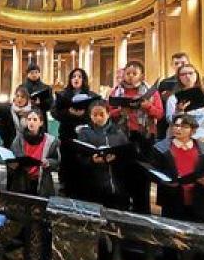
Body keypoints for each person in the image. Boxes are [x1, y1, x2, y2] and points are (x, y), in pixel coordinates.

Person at [108, 60, 163, 213]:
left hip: (144, 138)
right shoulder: (116, 91)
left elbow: (159, 113)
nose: (130, 76)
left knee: (142, 176)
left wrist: (148, 107)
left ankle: (142, 211)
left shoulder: (151, 92)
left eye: (134, 73)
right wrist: (120, 111)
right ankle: (121, 210)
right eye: (128, 73)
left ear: (141, 75)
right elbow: (108, 113)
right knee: (121, 176)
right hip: (121, 138)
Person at [151, 114, 204, 222]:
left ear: (193, 130)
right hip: (171, 198)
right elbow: (154, 171)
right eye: (176, 125)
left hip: (198, 199)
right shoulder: (160, 148)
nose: (178, 129)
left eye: (184, 127)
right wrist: (165, 181)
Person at [51, 68, 99, 198]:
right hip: (67, 134)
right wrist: (69, 112)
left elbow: (97, 113)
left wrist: (85, 114)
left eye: (79, 76)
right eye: (74, 76)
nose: (76, 79)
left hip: (85, 135)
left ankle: (82, 191)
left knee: (82, 162)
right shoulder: (63, 94)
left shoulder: (91, 95)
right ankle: (66, 188)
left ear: (84, 80)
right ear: (70, 79)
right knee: (67, 162)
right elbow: (54, 112)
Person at [77, 100, 130, 209]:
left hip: (116, 183)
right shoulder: (85, 133)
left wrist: (116, 157)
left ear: (108, 114)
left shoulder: (118, 132)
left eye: (102, 114)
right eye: (94, 115)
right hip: (94, 184)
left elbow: (127, 154)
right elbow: (80, 158)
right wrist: (92, 160)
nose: (98, 118)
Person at [165, 64, 204, 146]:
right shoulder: (173, 99)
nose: (187, 76)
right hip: (181, 143)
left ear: (196, 75)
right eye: (183, 74)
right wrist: (179, 111)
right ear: (179, 78)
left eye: (190, 73)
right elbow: (170, 121)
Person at [9, 109, 60, 197]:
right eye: (29, 119)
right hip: (22, 179)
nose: (31, 122)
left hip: (41, 180)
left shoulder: (51, 140)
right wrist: (12, 162)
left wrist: (48, 162)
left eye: (35, 119)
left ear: (41, 123)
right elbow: (12, 155)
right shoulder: (19, 138)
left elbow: (57, 161)